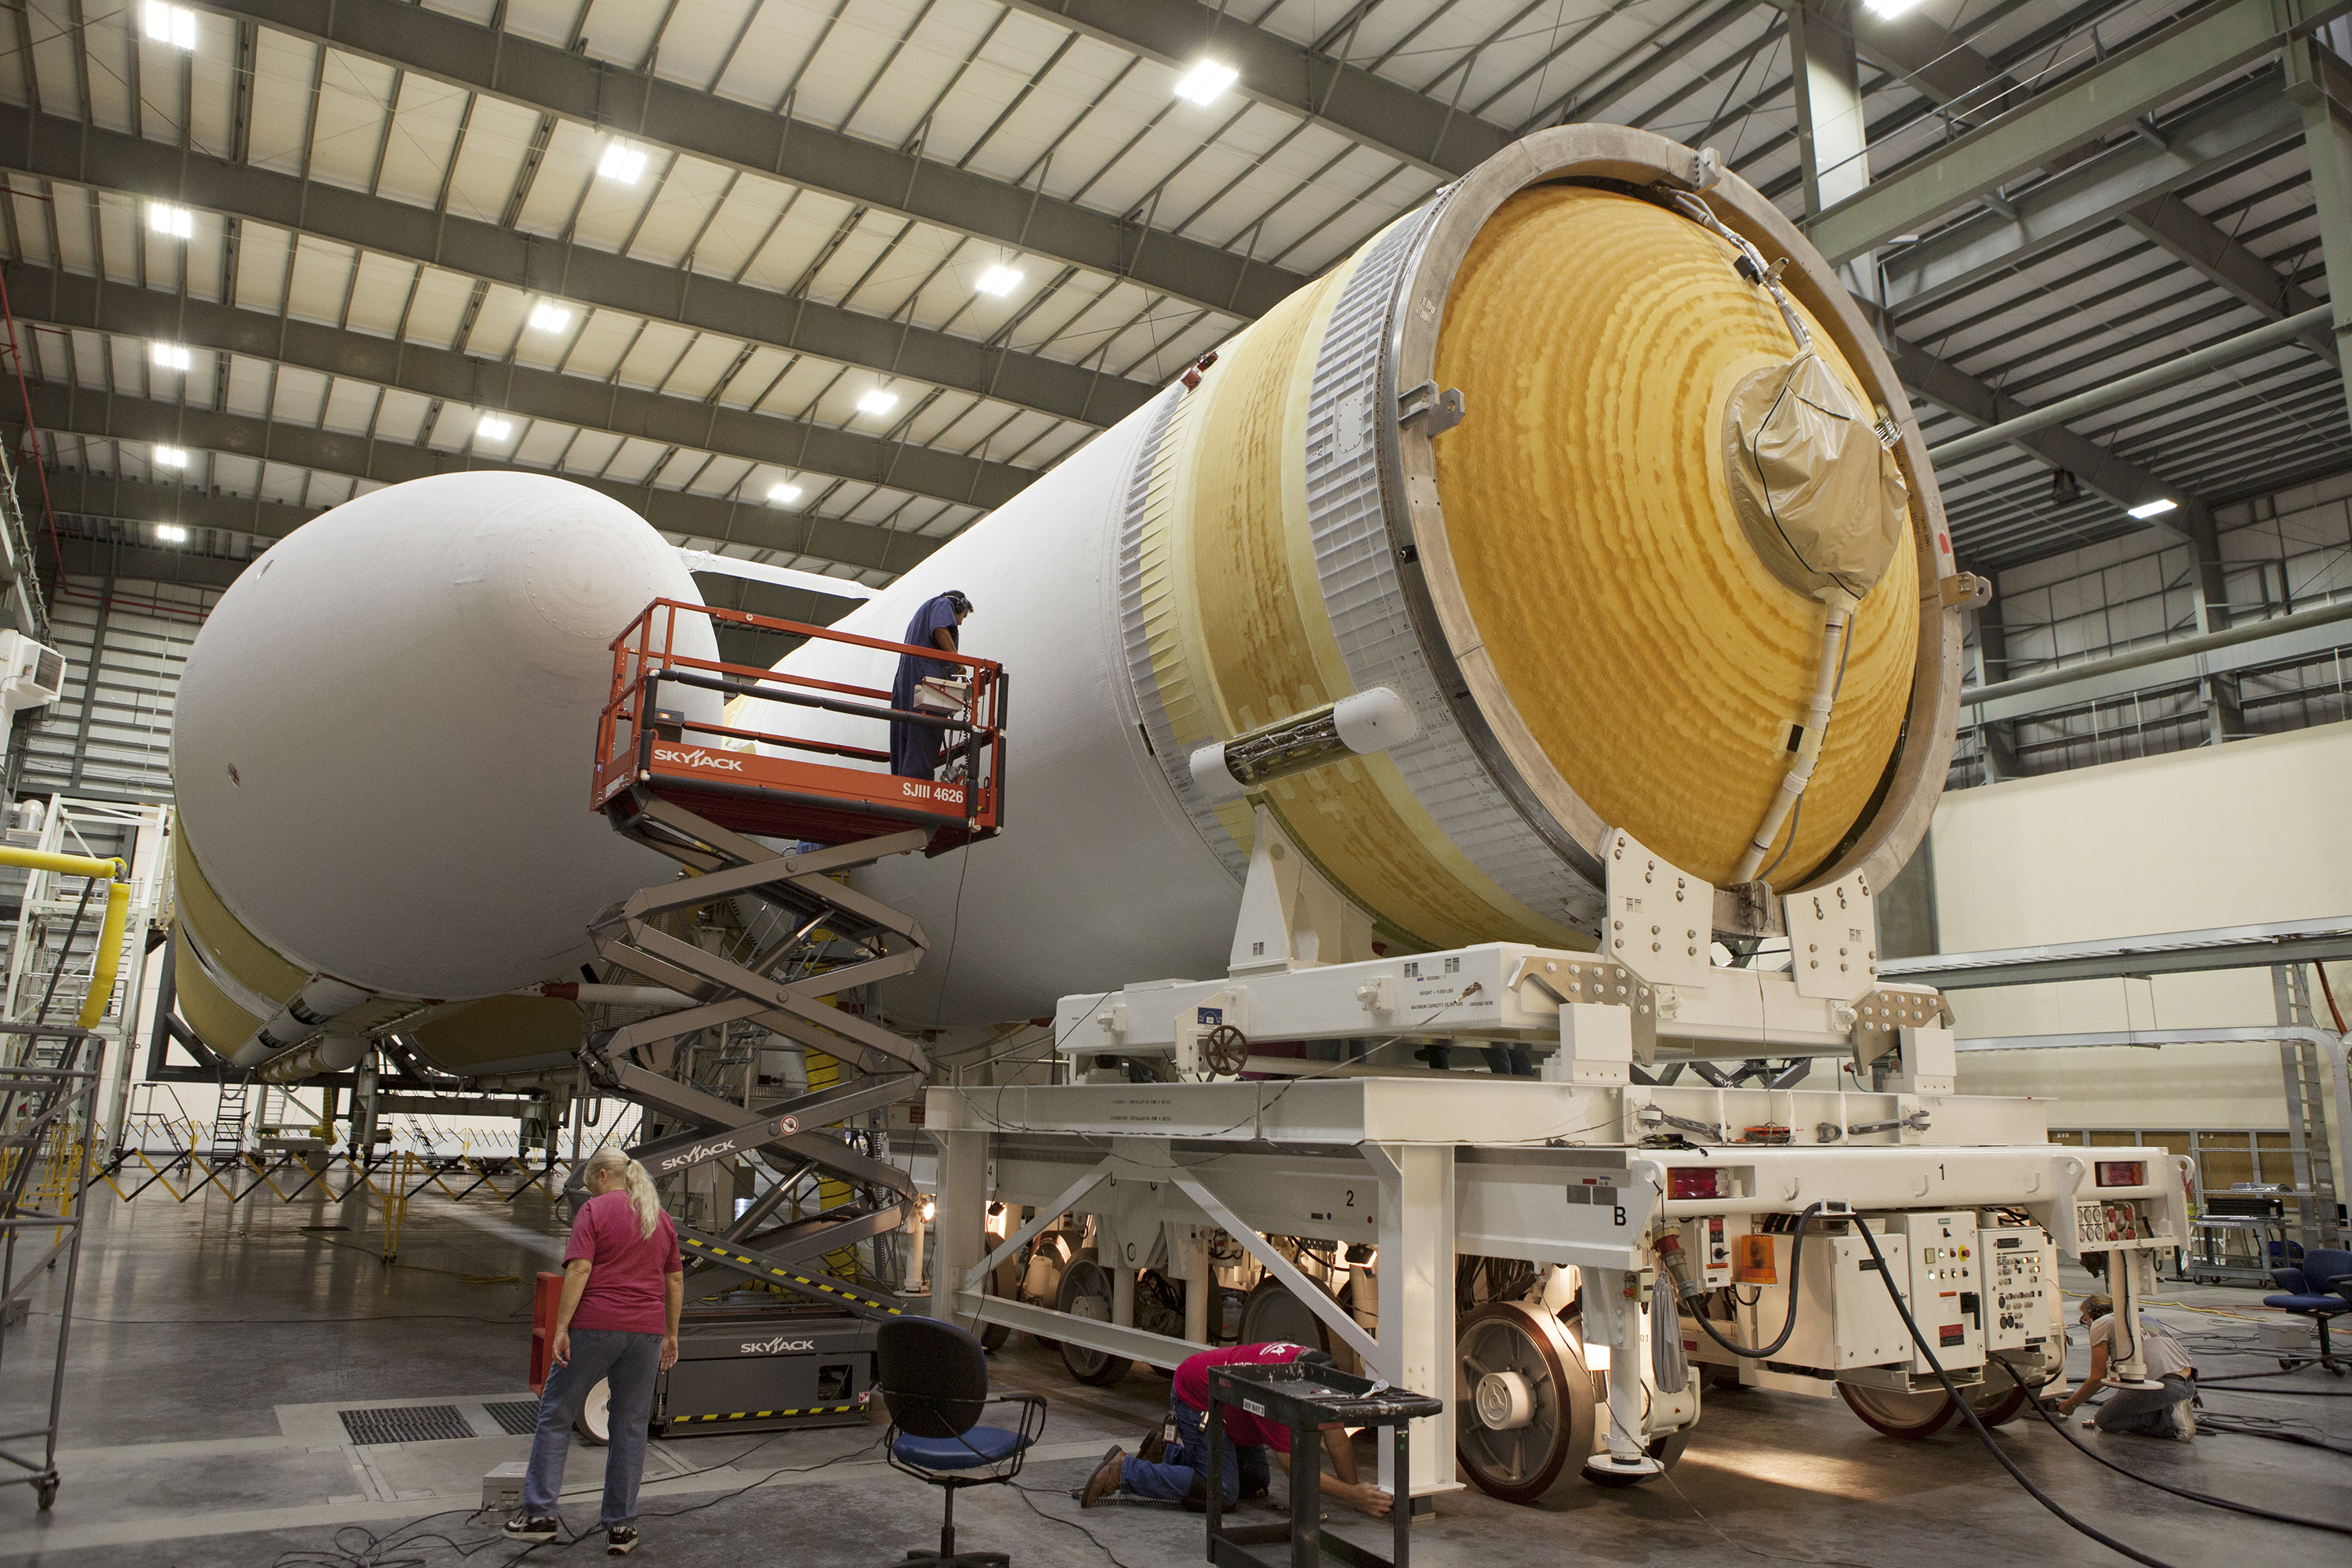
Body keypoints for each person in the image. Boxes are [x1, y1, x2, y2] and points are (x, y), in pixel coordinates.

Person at [505, 1147, 684, 1555]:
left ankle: (539, 1514)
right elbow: (673, 1281)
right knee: (630, 1425)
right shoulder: (660, 1217)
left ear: (603, 1176)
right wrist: (670, 1334)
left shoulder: (595, 1211)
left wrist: (561, 1327)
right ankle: (621, 1527)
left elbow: (580, 1268)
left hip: (596, 1326)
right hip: (646, 1333)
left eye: (588, 1181)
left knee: (556, 1414)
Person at [1078, 1342, 1392, 1516]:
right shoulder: (1280, 1386)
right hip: (1199, 1398)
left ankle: (1174, 1452)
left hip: (1234, 1413)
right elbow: (1293, 1466)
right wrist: (1352, 1493)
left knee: (1254, 1482)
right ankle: (1125, 1471)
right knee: (1223, 1493)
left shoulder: (1315, 1371)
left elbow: (1335, 1435)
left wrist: (1356, 1496)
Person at [2054, 1292, 2196, 1441]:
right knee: (2125, 1402)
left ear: (2093, 1314)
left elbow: (2097, 1378)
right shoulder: (2142, 1317)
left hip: (2163, 1386)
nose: (2087, 1323)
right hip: (2189, 1383)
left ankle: (2171, 1421)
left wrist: (2071, 1404)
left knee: (2105, 1420)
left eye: (2085, 1319)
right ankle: (2172, 1406)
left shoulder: (2100, 1323)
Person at [889, 590, 973, 779]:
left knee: (906, 733)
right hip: (926, 678)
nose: (959, 623)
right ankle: (917, 783)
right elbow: (940, 628)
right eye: (963, 617)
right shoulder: (943, 604)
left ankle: (903, 780)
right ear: (958, 606)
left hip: (909, 679)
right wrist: (956, 660)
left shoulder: (920, 615)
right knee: (925, 732)